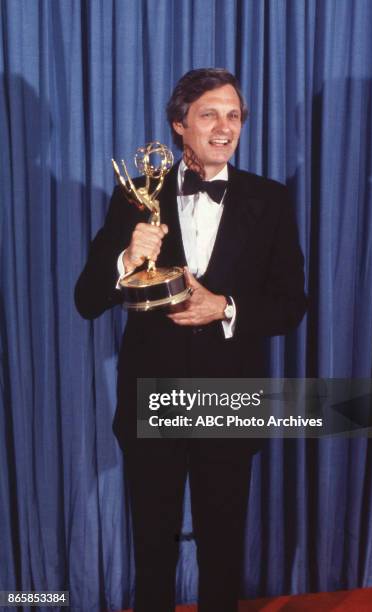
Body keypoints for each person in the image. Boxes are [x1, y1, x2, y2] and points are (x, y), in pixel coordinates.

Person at [75, 68, 307, 612]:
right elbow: (87, 299)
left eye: (234, 115)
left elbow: (291, 305)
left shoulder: (270, 201)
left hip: (228, 401)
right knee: (152, 553)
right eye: (209, 114)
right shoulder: (135, 198)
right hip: (152, 398)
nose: (224, 127)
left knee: (223, 555)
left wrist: (224, 307)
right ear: (180, 125)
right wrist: (126, 260)